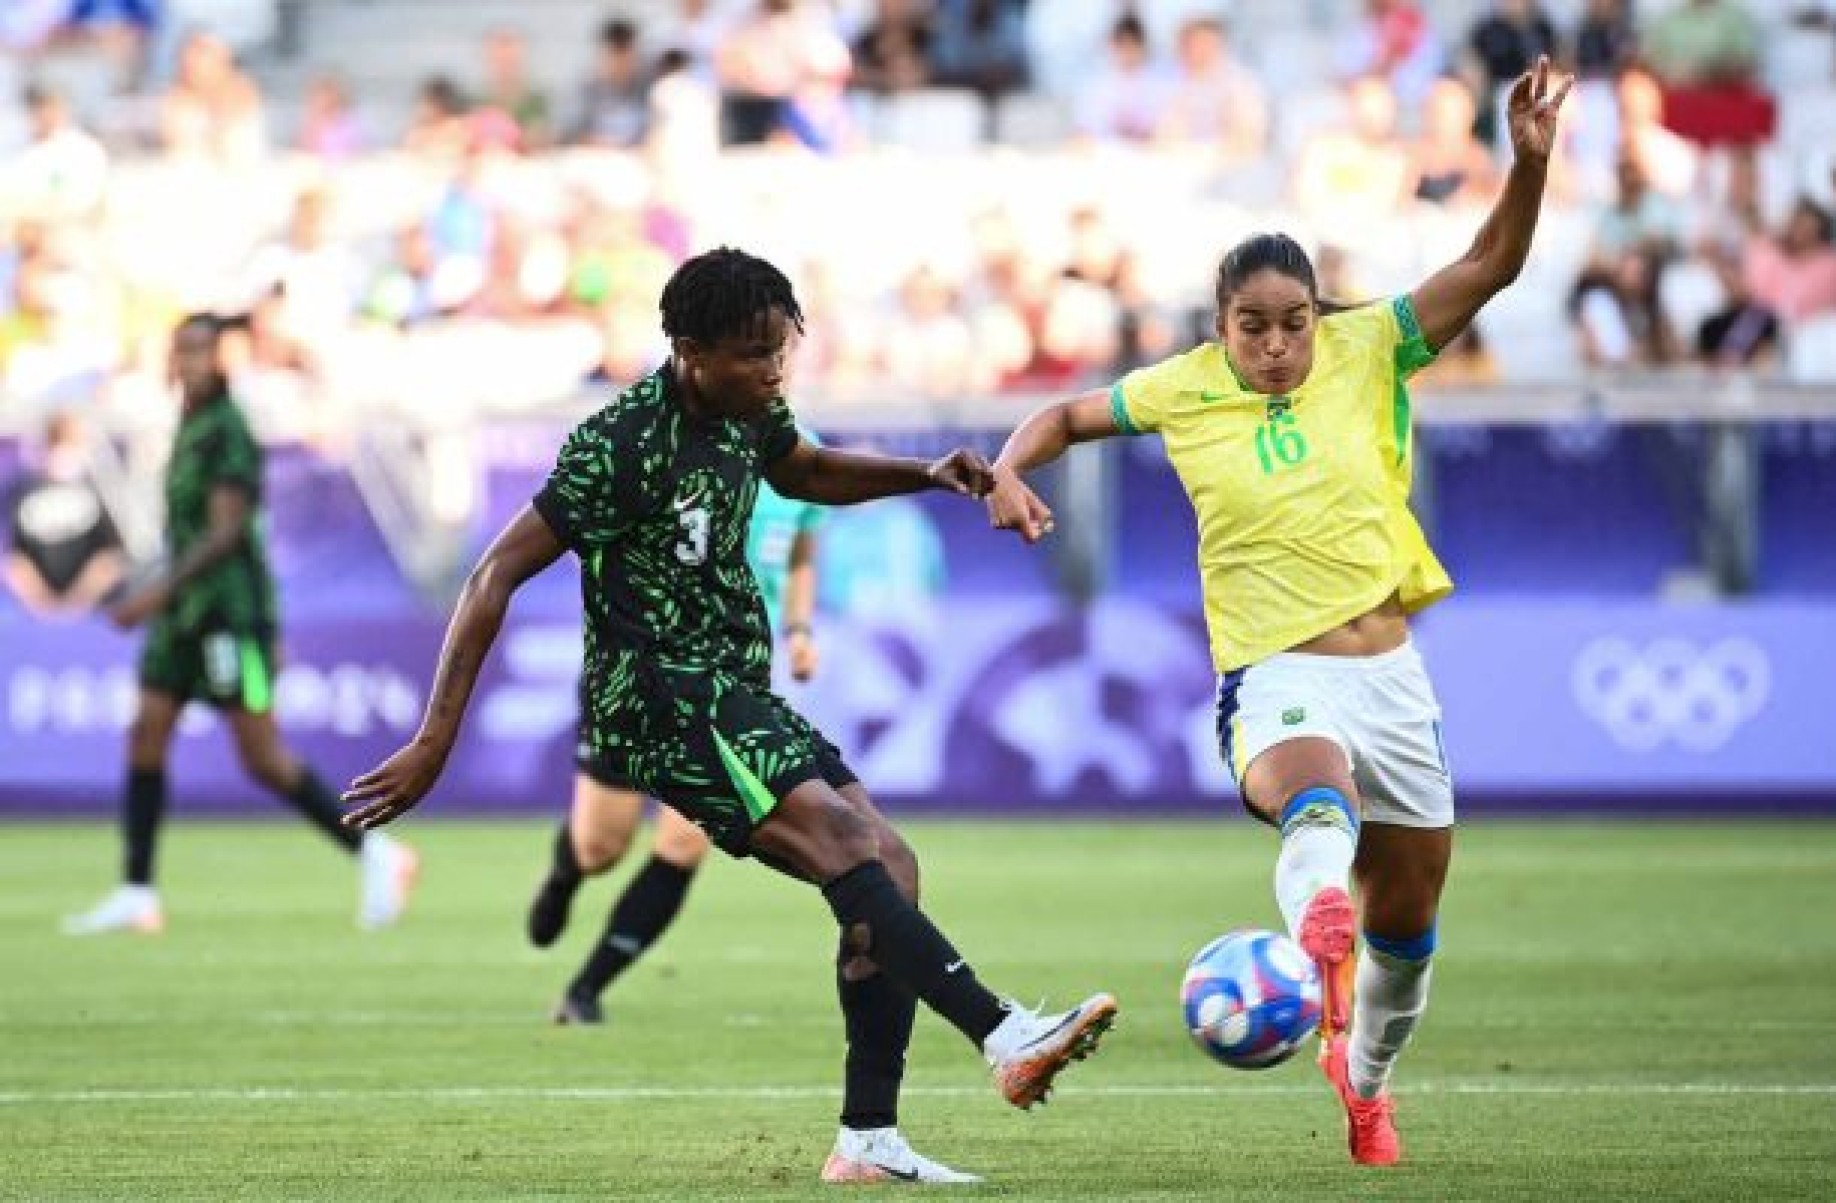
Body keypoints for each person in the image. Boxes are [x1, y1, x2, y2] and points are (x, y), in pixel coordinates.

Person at [341, 248, 1117, 1185]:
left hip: (735, 686)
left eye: (781, 353)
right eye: (754, 355)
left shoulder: (749, 413)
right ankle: (1002, 1033)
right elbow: (493, 573)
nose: (773, 372)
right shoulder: (619, 442)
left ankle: (868, 1138)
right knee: (844, 845)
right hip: (659, 697)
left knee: (893, 862)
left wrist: (927, 473)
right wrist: (434, 740)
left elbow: (806, 471)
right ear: (687, 349)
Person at [984, 57, 1572, 1169]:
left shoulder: (1371, 345)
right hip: (1276, 670)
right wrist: (1014, 471)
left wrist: (1529, 162)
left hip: (1394, 675)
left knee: (1410, 925)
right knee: (1319, 808)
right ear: (1221, 325)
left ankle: (1365, 1081)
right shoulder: (1180, 387)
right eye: (1253, 327)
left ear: (1318, 314)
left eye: (1294, 323)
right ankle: (1314, 930)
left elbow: (1492, 261)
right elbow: (1061, 415)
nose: (1275, 346)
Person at [62, 315, 419, 937]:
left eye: (202, 351)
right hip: (184, 617)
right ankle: (137, 890)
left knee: (264, 759)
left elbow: (227, 532)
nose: (192, 363)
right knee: (146, 733)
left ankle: (377, 852)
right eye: (183, 352)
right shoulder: (189, 424)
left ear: (222, 359)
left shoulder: (228, 429)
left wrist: (153, 594)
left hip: (229, 615)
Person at [529, 438, 827, 1025]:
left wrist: (798, 627)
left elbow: (800, 553)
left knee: (685, 843)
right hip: (636, 673)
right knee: (599, 848)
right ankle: (567, 869)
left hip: (731, 683)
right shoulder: (668, 436)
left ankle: (586, 989)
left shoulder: (802, 451)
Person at [4, 410, 125, 618]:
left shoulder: (95, 488)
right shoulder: (23, 489)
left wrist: (78, 601)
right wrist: (41, 602)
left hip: (91, 617)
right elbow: (14, 559)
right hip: (33, 617)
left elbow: (111, 557)